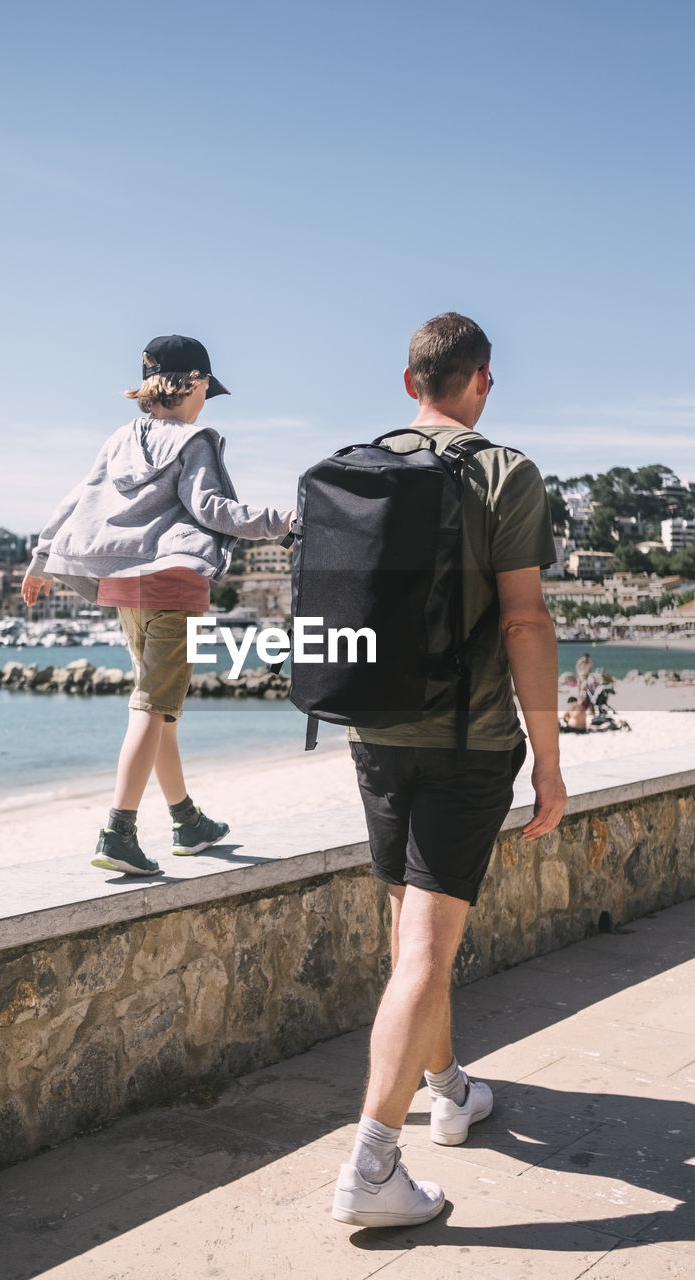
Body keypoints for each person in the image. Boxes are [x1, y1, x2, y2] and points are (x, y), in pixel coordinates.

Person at [332, 313, 567, 1229]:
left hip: (373, 733)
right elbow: (525, 623)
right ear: (483, 381)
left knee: (410, 936)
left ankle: (447, 1087)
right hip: (466, 742)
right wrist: (549, 763)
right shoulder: (504, 470)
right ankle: (372, 1164)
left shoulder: (361, 465)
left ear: (408, 383)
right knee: (427, 949)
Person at [22, 335, 294, 876]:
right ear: (192, 383)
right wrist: (285, 524)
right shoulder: (195, 442)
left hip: (123, 583)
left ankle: (187, 822)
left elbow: (78, 498)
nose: (204, 402)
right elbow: (211, 509)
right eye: (205, 391)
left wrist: (40, 558)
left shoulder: (120, 438)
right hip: (172, 580)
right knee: (151, 706)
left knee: (160, 707)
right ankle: (118, 830)